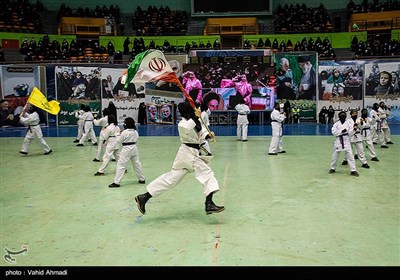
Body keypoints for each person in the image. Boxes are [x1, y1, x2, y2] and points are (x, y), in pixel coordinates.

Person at [134, 101, 225, 215]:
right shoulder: (182, 123)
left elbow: (201, 134)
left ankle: (144, 197)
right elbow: (188, 127)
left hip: (186, 156)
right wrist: (196, 117)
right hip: (189, 154)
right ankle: (209, 203)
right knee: (207, 174)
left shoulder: (196, 122)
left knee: (172, 179)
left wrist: (209, 135)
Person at [109, 117, 145, 188]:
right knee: (137, 163)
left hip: (126, 149)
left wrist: (117, 134)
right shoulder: (135, 132)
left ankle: (117, 182)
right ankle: (142, 179)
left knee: (121, 165)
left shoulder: (125, 132)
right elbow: (136, 139)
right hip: (134, 147)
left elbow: (119, 141)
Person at [329, 111, 359, 177]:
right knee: (335, 155)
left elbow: (351, 133)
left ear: (345, 117)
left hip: (346, 140)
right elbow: (333, 132)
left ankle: (353, 170)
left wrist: (354, 129)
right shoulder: (336, 124)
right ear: (339, 117)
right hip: (338, 140)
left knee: (350, 155)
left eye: (344, 116)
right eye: (341, 116)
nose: (343, 117)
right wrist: (341, 131)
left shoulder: (348, 123)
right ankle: (332, 168)